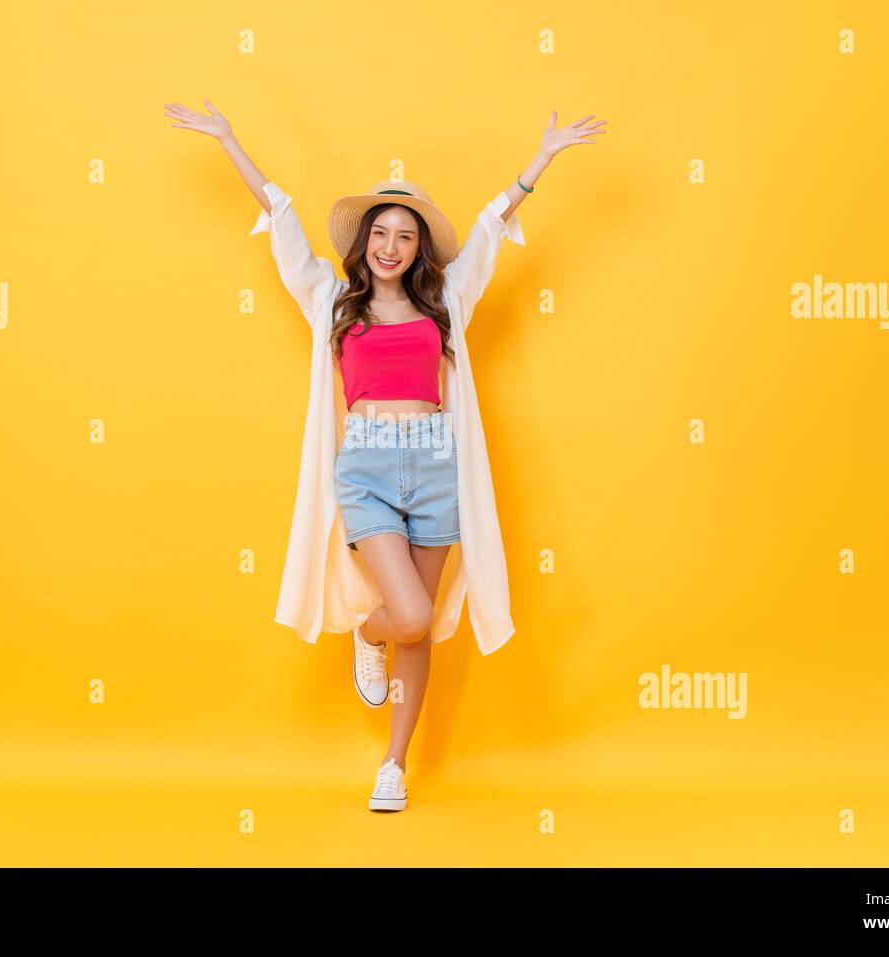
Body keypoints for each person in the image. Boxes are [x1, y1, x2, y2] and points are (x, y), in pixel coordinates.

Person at [165, 99, 605, 810]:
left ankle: (393, 765)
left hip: (435, 468)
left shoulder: (445, 302)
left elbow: (492, 229)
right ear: (365, 241)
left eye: (405, 236)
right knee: (402, 613)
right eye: (381, 233)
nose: (391, 246)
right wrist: (228, 139)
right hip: (367, 468)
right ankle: (367, 634)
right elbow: (281, 222)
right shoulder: (333, 299)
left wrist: (543, 157)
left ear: (420, 249)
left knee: (422, 624)